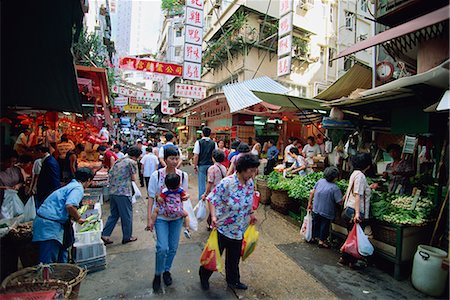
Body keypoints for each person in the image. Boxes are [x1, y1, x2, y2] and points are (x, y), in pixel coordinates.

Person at [199, 154, 259, 291]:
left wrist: (251, 214)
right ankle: (204, 277)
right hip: (223, 227)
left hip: (239, 228)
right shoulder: (227, 183)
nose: (252, 174)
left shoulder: (249, 183)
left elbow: (249, 201)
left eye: (254, 170)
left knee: (234, 258)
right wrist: (213, 217)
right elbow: (212, 199)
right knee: (214, 255)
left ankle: (233, 281)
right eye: (250, 170)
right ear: (242, 169)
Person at [146, 147, 189, 293]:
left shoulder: (182, 176)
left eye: (177, 158)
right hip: (161, 218)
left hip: (176, 217)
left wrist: (185, 216)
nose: (175, 161)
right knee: (162, 247)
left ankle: (167, 270)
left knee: (173, 247)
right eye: (172, 158)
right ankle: (158, 274)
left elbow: (183, 197)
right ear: (165, 159)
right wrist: (149, 219)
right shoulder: (156, 175)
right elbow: (151, 198)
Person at [32, 168, 94, 263]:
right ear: (89, 180)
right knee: (48, 262)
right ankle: (48, 277)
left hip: (48, 221)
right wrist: (79, 219)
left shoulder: (71, 185)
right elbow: (70, 206)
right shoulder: (78, 188)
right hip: (49, 224)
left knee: (59, 254)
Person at [339, 153, 378, 268]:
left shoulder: (355, 173)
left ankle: (345, 258)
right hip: (354, 211)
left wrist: (368, 187)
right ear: (367, 165)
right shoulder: (361, 176)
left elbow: (353, 190)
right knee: (355, 236)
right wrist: (357, 214)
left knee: (351, 235)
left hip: (348, 209)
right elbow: (357, 195)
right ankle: (352, 260)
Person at [101, 146, 141, 245]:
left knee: (114, 214)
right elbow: (133, 178)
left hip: (113, 191)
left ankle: (105, 234)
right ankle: (127, 236)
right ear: (136, 156)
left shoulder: (119, 160)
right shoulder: (131, 162)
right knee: (126, 215)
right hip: (123, 192)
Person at [307, 167, 342, 248]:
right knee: (324, 226)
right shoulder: (335, 188)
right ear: (335, 177)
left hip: (316, 208)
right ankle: (321, 241)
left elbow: (312, 192)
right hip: (327, 211)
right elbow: (339, 202)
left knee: (315, 223)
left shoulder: (320, 181)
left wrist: (309, 203)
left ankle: (313, 237)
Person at [150, 173, 191, 239]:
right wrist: (186, 196)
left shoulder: (165, 191)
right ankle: (187, 228)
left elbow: (160, 199)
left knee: (155, 210)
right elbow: (185, 196)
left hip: (166, 211)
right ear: (178, 184)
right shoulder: (180, 190)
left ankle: (152, 223)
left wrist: (157, 196)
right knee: (186, 215)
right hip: (178, 211)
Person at [201, 150, 227, 230]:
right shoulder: (224, 168)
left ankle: (211, 225)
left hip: (214, 192)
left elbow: (210, 182)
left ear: (213, 158)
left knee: (212, 210)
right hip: (222, 192)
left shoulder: (212, 168)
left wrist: (205, 193)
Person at [193, 127, 217, 203]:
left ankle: (201, 200)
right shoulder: (214, 143)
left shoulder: (198, 142)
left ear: (202, 133)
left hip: (202, 165)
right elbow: (215, 155)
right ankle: (211, 198)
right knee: (211, 182)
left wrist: (195, 165)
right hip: (211, 165)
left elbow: (196, 155)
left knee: (201, 182)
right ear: (210, 134)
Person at [35, 145, 61, 209]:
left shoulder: (49, 162)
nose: (34, 154)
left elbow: (53, 179)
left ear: (40, 152)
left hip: (48, 192)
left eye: (35, 152)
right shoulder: (49, 160)